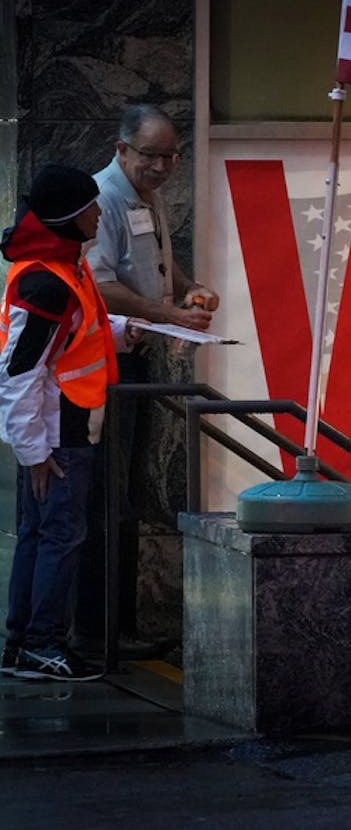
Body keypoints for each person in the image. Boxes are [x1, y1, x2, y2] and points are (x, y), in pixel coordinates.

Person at [76, 104, 219, 658]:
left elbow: (161, 260)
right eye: (151, 156)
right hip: (110, 361)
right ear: (121, 150)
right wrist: (168, 317)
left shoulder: (144, 195)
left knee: (127, 491)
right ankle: (99, 628)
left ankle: (120, 624)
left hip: (138, 355)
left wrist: (189, 288)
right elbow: (99, 284)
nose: (162, 167)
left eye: (171, 156)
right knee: (107, 495)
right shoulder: (103, 199)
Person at [0, 166, 138, 681]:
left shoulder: (60, 269)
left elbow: (78, 338)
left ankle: (23, 644)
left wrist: (129, 332)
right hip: (61, 433)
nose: (99, 212)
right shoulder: (47, 280)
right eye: (91, 206)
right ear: (67, 217)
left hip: (58, 428)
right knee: (59, 536)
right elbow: (18, 373)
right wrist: (34, 451)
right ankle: (41, 644)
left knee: (43, 535)